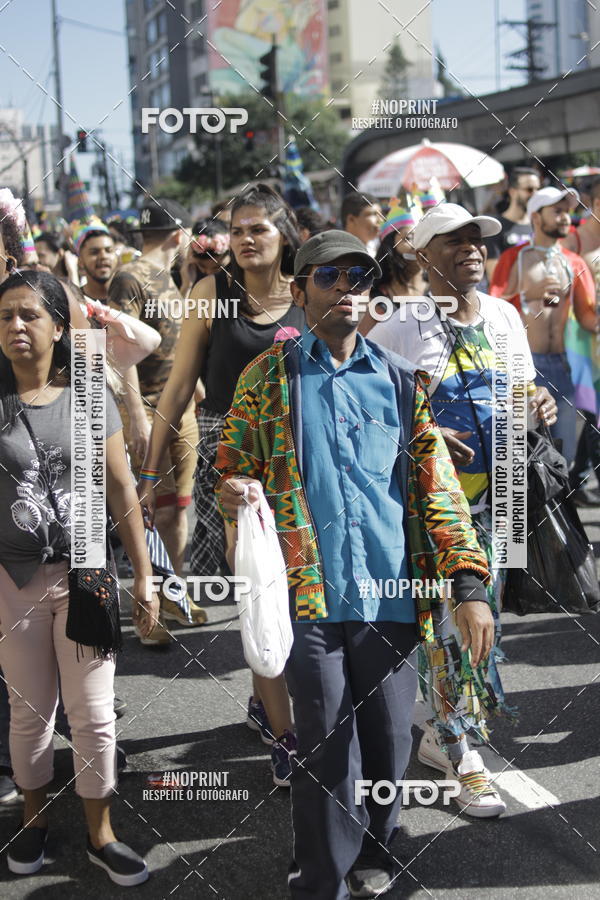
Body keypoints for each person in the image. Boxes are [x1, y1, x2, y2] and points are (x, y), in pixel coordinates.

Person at [215, 229, 494, 898]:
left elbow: (436, 490)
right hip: (306, 595)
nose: (346, 288)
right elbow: (232, 467)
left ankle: (379, 842)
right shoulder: (268, 378)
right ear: (299, 289)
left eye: (359, 276)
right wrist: (233, 493)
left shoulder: (400, 382)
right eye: (329, 276)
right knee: (325, 746)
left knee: (390, 739)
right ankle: (320, 878)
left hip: (391, 595)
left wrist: (468, 581)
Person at [370, 204, 558, 818]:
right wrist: (415, 434)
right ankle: (461, 752)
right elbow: (362, 402)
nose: (470, 249)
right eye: (452, 241)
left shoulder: (504, 315)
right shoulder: (400, 325)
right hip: (436, 504)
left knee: (487, 617)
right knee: (456, 627)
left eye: (476, 240)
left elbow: (524, 387)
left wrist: (541, 402)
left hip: (502, 491)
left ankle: (437, 725)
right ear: (421, 257)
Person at [138, 184, 304, 785]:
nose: (246, 239)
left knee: (305, 590)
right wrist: (151, 472)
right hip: (229, 461)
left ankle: (274, 697)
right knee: (258, 586)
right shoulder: (210, 293)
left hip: (300, 458)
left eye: (258, 228)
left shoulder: (311, 291)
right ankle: (286, 736)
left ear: (285, 232)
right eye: (237, 230)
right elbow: (179, 386)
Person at [0, 270, 159, 885]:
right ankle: (33, 820)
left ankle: (102, 832)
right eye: (6, 316)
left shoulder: (89, 395)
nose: (16, 326)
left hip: (87, 577)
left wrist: (143, 578)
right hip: (14, 583)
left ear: (58, 328)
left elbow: (122, 489)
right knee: (29, 713)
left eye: (29, 315)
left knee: (93, 715)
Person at [108, 199, 199, 605]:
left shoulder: (176, 275)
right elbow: (119, 349)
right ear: (179, 234)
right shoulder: (129, 278)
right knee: (153, 510)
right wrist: (136, 418)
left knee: (178, 508)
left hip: (183, 408)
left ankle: (175, 592)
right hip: (146, 409)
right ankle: (152, 602)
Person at [490, 186, 598, 465]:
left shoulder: (574, 262)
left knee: (565, 458)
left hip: (564, 366)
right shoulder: (513, 258)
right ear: (536, 217)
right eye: (558, 212)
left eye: (568, 212)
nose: (565, 218)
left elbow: (587, 316)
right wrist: (528, 293)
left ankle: (561, 507)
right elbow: (490, 308)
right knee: (525, 453)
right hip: (524, 366)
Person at [563, 177, 600, 503]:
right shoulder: (574, 241)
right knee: (592, 414)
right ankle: (578, 476)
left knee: (592, 416)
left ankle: (577, 476)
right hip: (582, 345)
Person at [359, 199, 426, 336]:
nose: (417, 246)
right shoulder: (375, 302)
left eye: (422, 237)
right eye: (409, 238)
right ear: (389, 249)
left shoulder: (439, 291)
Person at [484, 167, 541, 280]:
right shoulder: (495, 227)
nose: (535, 195)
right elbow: (494, 276)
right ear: (513, 192)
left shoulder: (539, 224)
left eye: (537, 189)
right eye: (529, 189)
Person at [180, 218, 231, 296]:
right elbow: (176, 308)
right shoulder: (182, 277)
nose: (209, 273)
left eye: (217, 268)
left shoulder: (242, 278)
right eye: (202, 267)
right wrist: (186, 286)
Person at [340, 192, 382, 256]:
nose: (380, 220)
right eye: (373, 214)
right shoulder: (338, 255)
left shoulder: (378, 249)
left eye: (380, 215)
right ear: (351, 219)